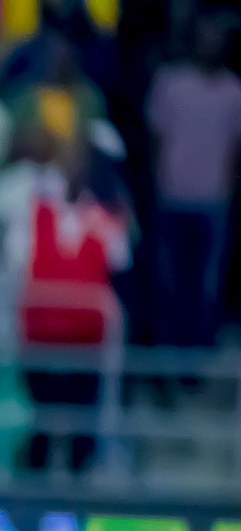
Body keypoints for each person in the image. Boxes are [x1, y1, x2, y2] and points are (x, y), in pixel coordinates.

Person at [146, 22, 241, 348]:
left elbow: (236, 148)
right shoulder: (170, 83)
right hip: (171, 194)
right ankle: (167, 349)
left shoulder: (234, 91)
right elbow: (156, 138)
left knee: (206, 283)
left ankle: (200, 349)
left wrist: (227, 189)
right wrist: (159, 182)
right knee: (168, 279)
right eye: (205, 38)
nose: (210, 45)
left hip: (213, 199)